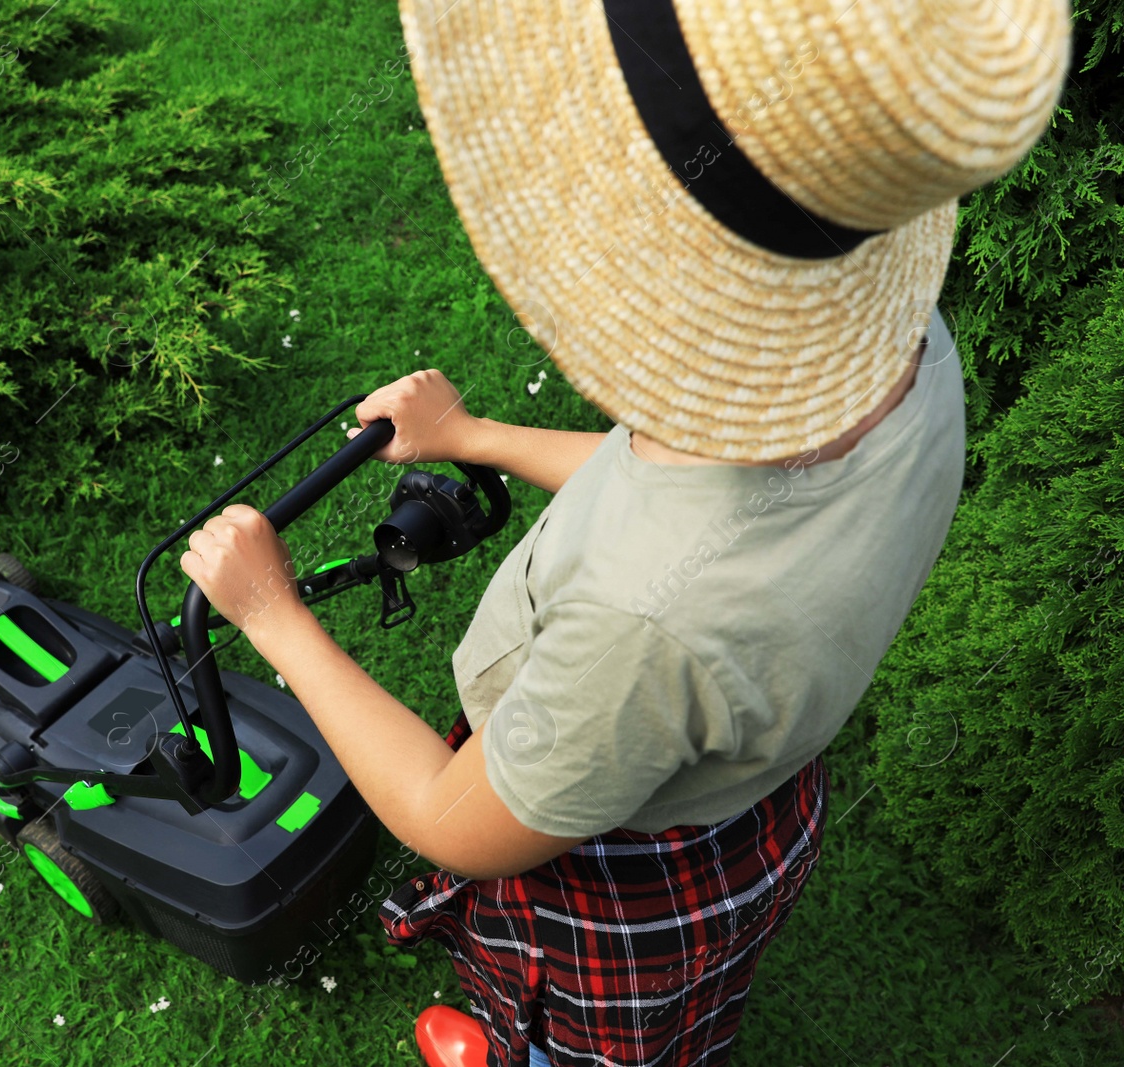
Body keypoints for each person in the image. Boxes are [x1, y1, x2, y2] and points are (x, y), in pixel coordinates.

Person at [178, 0, 1071, 1063]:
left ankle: (527, 1047)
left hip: (614, 856)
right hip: (747, 802)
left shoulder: (643, 627)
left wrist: (275, 619)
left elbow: (451, 816)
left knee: (593, 1025)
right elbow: (661, 488)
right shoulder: (909, 349)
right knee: (691, 993)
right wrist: (477, 434)